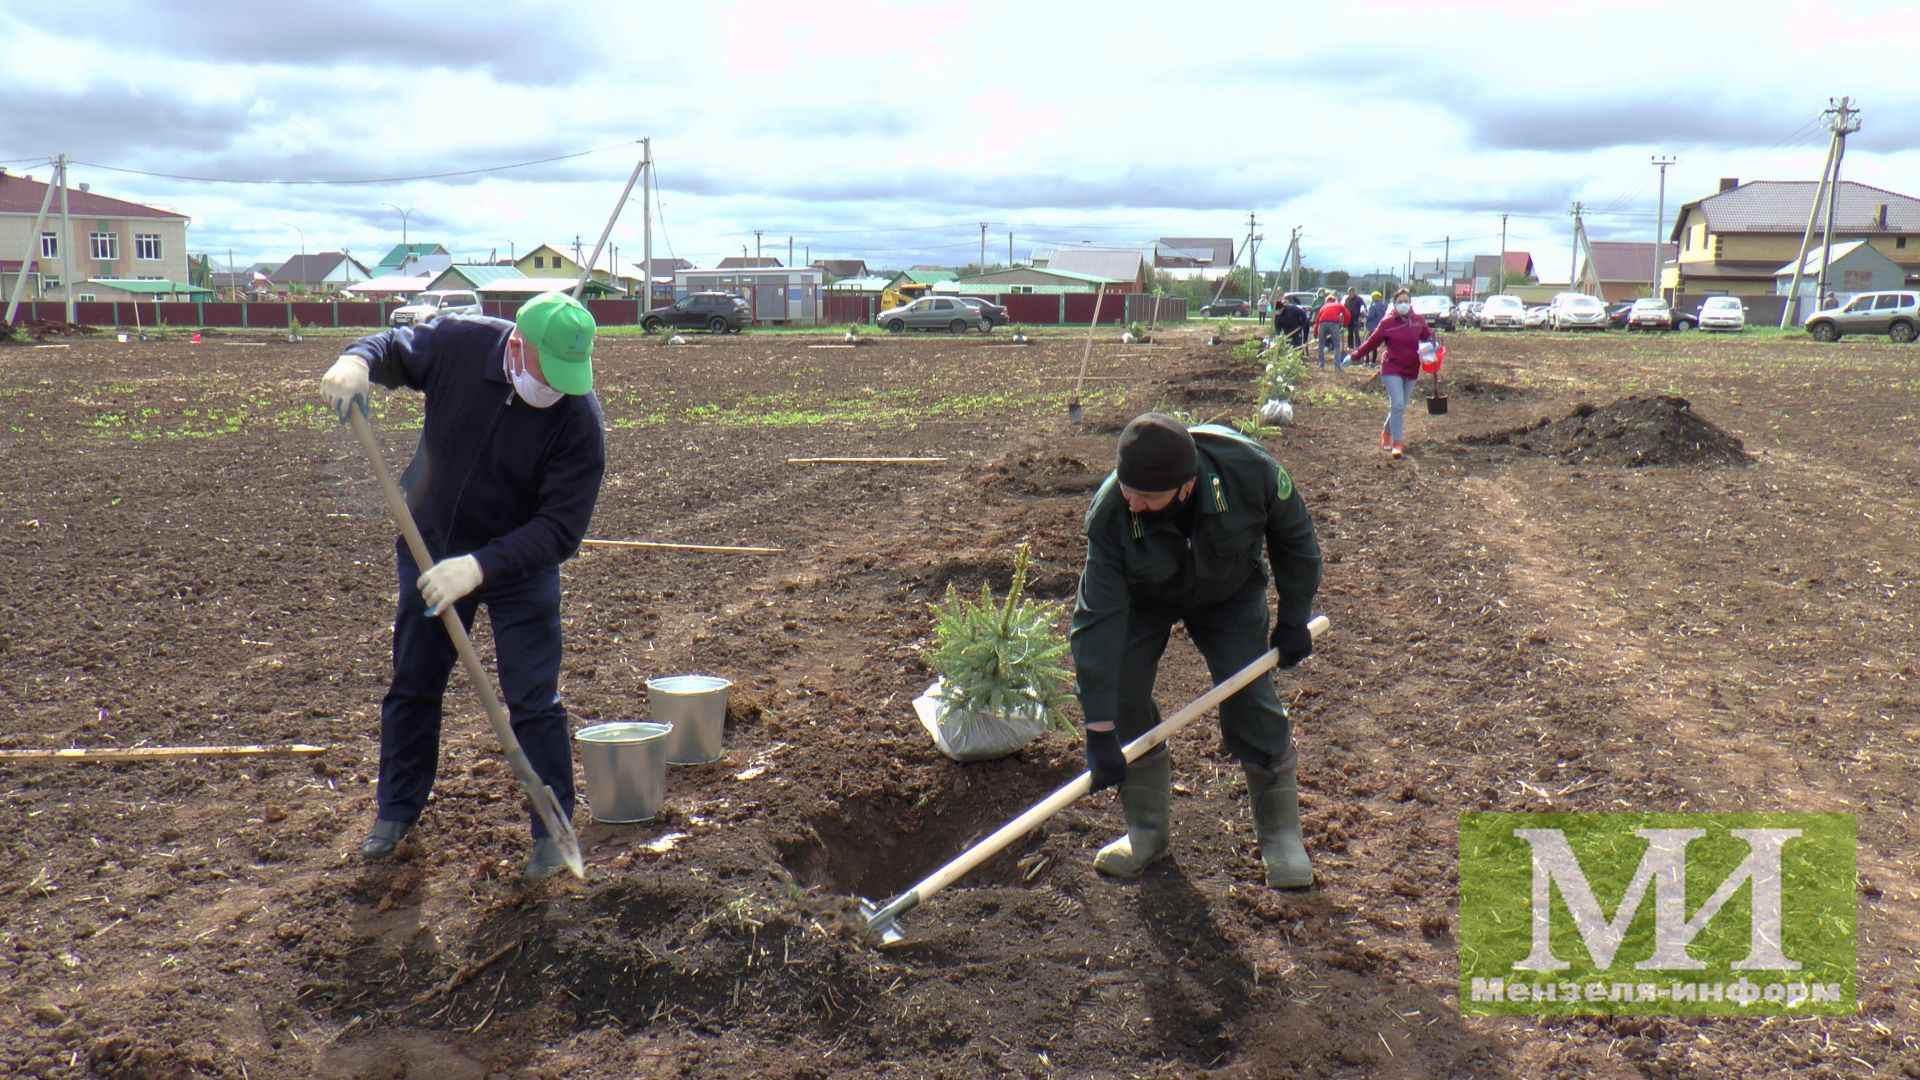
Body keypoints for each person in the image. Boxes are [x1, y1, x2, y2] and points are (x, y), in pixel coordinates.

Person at [320, 292, 606, 881]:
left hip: (516, 570)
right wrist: (356, 361)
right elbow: (392, 348)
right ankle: (396, 811)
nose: (555, 388)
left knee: (533, 700)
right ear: (517, 345)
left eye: (566, 379)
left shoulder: (578, 420)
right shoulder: (460, 342)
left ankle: (553, 832)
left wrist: (479, 567)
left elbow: (560, 529)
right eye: (547, 373)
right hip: (430, 549)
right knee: (414, 682)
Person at [1071, 414, 1323, 888]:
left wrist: (1294, 617)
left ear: (1186, 486)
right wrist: (1100, 731)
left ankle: (1281, 835)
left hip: (1230, 589)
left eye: (1146, 496)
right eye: (1127, 489)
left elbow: (1295, 538)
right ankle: (1146, 831)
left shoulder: (1249, 470)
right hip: (1142, 597)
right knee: (1124, 689)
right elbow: (1096, 620)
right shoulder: (1113, 512)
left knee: (1248, 692)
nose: (1133, 502)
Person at [1349, 288, 1434, 459]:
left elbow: (1428, 336)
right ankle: (1398, 443)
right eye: (1400, 301)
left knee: (1400, 406)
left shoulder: (1418, 321)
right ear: (1394, 304)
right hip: (1391, 368)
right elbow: (1371, 342)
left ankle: (1386, 433)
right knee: (1397, 404)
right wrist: (1354, 356)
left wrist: (1435, 344)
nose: (1404, 304)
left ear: (1410, 303)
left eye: (1406, 301)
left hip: (1411, 368)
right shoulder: (1387, 323)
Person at [1314, 294, 1348, 369]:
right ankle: (1337, 366)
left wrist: (1315, 333)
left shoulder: (1323, 307)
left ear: (1327, 301)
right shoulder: (1339, 305)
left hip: (1322, 324)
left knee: (1321, 344)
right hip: (1334, 323)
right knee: (1337, 345)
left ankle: (1321, 365)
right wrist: (1345, 325)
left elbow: (1317, 321)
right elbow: (1348, 314)